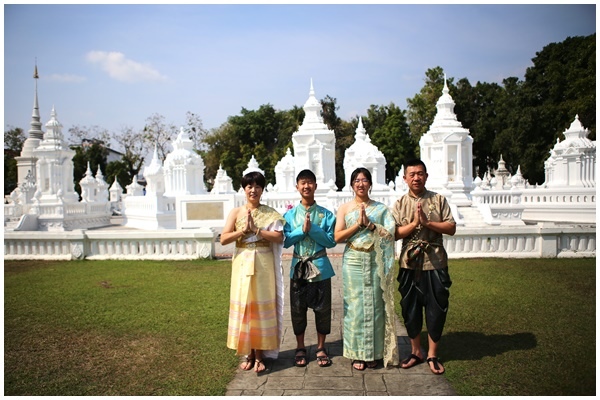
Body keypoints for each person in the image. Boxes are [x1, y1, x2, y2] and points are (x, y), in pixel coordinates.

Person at [392, 158, 456, 375]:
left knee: (436, 307)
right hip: (409, 263)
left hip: (435, 261)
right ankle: (415, 351)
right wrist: (414, 224)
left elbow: (451, 227)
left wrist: (428, 224)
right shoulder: (400, 203)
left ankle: (432, 354)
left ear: (426, 176)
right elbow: (394, 234)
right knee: (410, 308)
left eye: (420, 173)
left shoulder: (438, 200)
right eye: (412, 174)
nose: (416, 177)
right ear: (405, 179)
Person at [220, 171, 286, 374]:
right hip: (242, 263)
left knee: (259, 309)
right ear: (244, 189)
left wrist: (257, 230)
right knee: (246, 308)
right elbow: (223, 239)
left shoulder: (270, 213)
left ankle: (260, 356)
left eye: (257, 186)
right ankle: (248, 353)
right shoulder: (236, 213)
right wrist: (243, 231)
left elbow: (279, 237)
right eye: (249, 186)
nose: (253, 190)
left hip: (263, 264)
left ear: (262, 190)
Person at [334, 167, 399, 371]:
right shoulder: (344, 208)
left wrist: (371, 225)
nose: (360, 184)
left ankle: (374, 352)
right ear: (351, 184)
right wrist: (358, 225)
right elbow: (337, 237)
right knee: (355, 307)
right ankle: (357, 354)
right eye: (356, 180)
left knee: (376, 305)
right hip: (353, 259)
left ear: (370, 184)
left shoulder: (380, 209)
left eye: (364, 180)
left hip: (374, 259)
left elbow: (391, 233)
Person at [283, 169, 337, 368]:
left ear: (316, 186)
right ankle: (300, 346)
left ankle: (321, 347)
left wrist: (312, 229)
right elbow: (286, 241)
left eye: (310, 183)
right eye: (302, 183)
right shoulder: (289, 215)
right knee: (298, 309)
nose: (306, 186)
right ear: (297, 187)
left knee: (323, 309)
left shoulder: (326, 214)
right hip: (298, 267)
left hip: (321, 267)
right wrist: (301, 230)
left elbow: (331, 241)